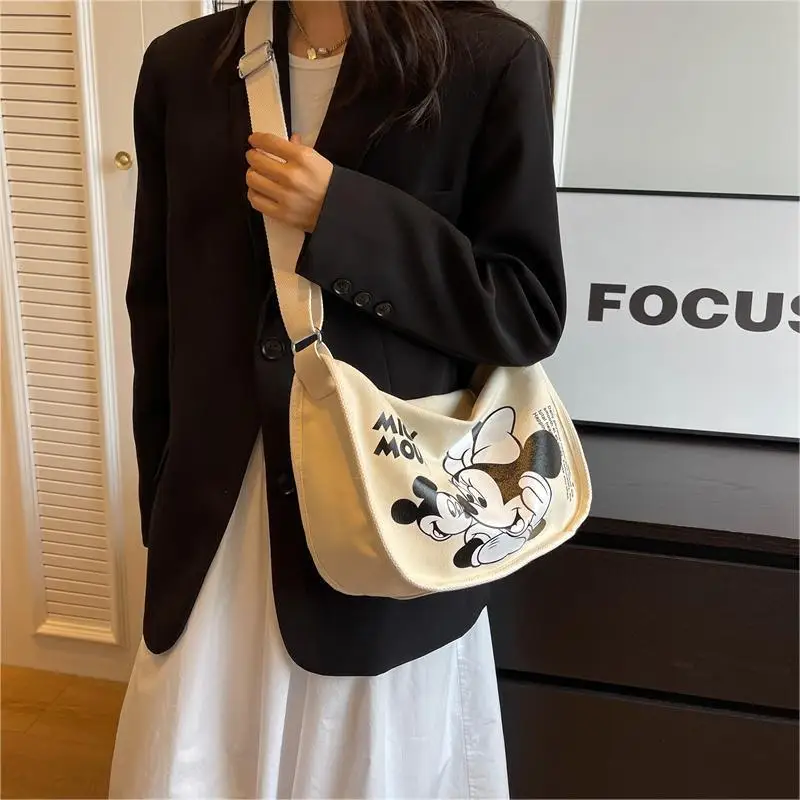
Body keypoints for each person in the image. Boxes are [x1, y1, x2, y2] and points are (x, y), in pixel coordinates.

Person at [109, 0, 566, 797]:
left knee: (363, 759)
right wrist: (162, 500)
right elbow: (158, 308)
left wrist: (342, 215)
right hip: (219, 518)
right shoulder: (183, 66)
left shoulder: (487, 59)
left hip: (384, 512)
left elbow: (523, 308)